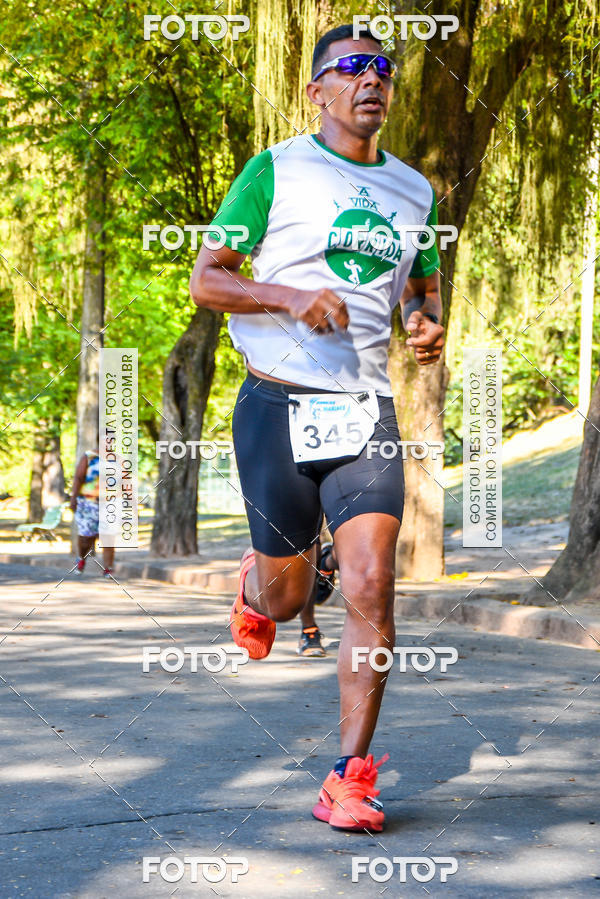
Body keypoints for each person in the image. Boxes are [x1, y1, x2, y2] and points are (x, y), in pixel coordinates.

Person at [190, 23, 444, 832]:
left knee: (373, 581)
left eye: (383, 69)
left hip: (365, 411)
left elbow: (423, 285)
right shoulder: (275, 170)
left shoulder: (415, 192)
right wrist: (290, 296)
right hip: (277, 403)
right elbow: (207, 280)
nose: (372, 79)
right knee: (286, 591)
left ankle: (350, 775)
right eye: (353, 68)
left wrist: (426, 321)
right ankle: (261, 582)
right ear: (318, 91)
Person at [70, 448, 115, 578]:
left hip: (109, 503)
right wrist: (73, 498)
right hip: (88, 503)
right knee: (86, 538)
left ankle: (108, 568)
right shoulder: (89, 457)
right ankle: (81, 558)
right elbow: (79, 478)